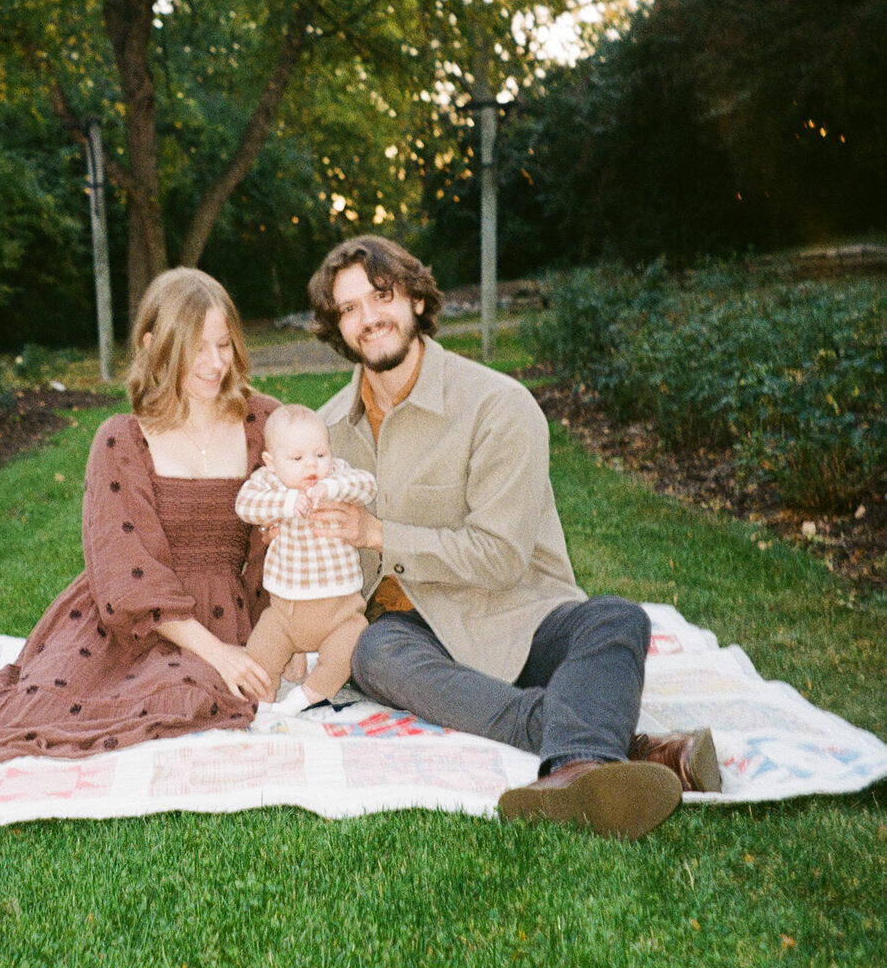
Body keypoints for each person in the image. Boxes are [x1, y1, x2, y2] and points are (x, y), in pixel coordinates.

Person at [305, 235, 721, 839]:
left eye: (382, 295)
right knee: (373, 654)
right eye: (348, 309)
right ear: (336, 327)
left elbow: (501, 557)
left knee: (617, 620)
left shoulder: (499, 406)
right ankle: (602, 753)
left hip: (518, 613)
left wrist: (377, 532)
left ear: (417, 300)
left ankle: (577, 770)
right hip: (415, 631)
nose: (369, 318)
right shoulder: (325, 432)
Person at [0, 268, 277, 762]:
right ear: (153, 345)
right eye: (197, 347)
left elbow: (285, 537)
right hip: (126, 621)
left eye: (224, 345)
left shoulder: (265, 422)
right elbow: (126, 572)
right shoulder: (121, 438)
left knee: (187, 696)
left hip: (223, 609)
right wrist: (218, 652)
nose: (214, 363)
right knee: (43, 710)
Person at [235, 404, 377, 715]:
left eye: (320, 454)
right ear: (271, 463)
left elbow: (366, 484)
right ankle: (263, 702)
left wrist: (332, 487)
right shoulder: (270, 484)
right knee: (259, 655)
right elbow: (244, 504)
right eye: (297, 459)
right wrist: (287, 503)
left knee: (350, 647)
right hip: (285, 613)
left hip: (340, 611)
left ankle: (305, 696)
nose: (311, 465)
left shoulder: (336, 476)